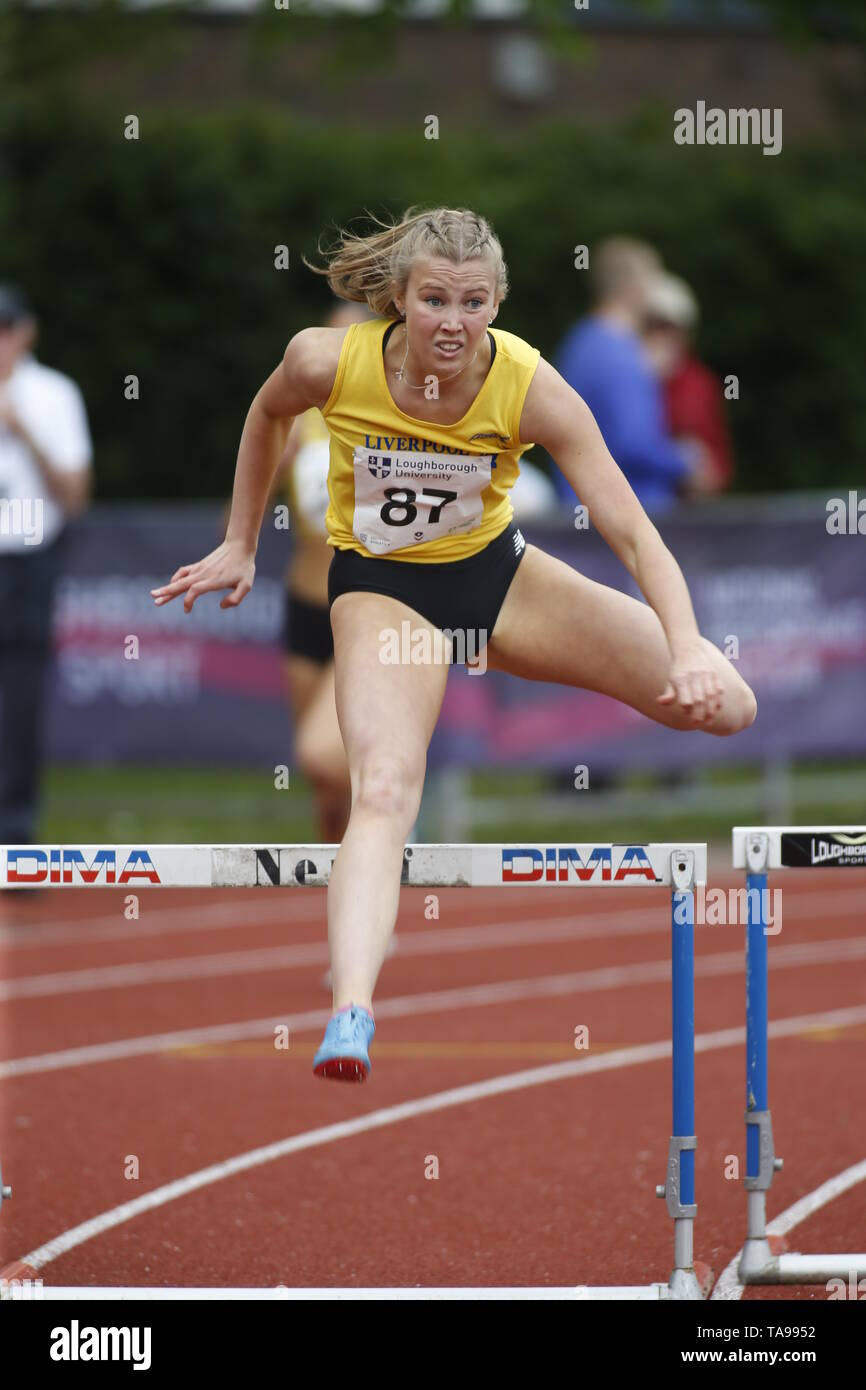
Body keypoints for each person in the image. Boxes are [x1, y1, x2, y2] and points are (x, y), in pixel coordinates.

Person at [151, 206, 757, 1083]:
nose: (452, 322)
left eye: (473, 302)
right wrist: (242, 538)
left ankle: (680, 663)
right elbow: (266, 415)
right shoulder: (328, 360)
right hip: (386, 596)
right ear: (398, 297)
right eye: (434, 299)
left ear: (498, 304)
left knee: (731, 706)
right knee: (385, 787)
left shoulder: (531, 384)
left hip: (501, 583)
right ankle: (350, 1008)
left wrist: (691, 643)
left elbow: (630, 528)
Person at [0, 284, 93, 862]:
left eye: (6, 330)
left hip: (29, 559)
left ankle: (13, 834)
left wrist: (22, 430)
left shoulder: (53, 393)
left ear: (25, 332)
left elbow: (75, 495)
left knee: (21, 697)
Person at [552, 237, 699, 515]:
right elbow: (633, 444)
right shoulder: (622, 353)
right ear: (634, 288)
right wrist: (687, 460)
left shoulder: (579, 342)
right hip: (626, 518)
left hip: (581, 512)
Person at [641, 271, 734, 497]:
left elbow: (718, 460)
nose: (662, 336)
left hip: (687, 507)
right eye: (654, 326)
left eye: (669, 327)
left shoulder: (700, 382)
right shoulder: (626, 377)